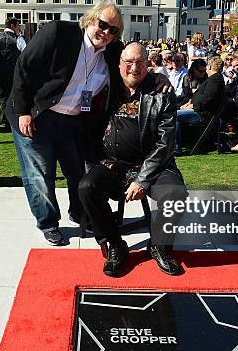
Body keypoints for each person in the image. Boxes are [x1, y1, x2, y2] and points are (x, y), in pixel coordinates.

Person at [5, 0, 170, 245]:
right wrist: (23, 112)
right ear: (91, 19)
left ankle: (79, 213)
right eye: (103, 25)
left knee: (78, 174)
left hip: (71, 123)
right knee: (40, 176)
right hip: (36, 116)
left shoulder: (112, 51)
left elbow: (133, 66)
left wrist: (157, 77)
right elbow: (23, 69)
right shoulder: (58, 33)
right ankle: (48, 222)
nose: (106, 33)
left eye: (114, 30)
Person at [78, 42, 187, 276]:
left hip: (154, 164)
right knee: (87, 187)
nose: (134, 67)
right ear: (119, 65)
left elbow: (165, 143)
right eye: (128, 62)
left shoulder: (163, 93)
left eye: (140, 62)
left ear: (148, 64)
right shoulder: (106, 89)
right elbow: (87, 125)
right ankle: (116, 245)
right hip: (113, 163)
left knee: (176, 193)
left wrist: (142, 180)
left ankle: (160, 247)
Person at [0, 18, 26, 128]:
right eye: (18, 26)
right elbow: (25, 57)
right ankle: (13, 120)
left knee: (3, 96)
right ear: (13, 26)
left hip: (1, 72)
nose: (19, 28)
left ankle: (5, 120)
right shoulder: (19, 39)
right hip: (15, 73)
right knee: (15, 96)